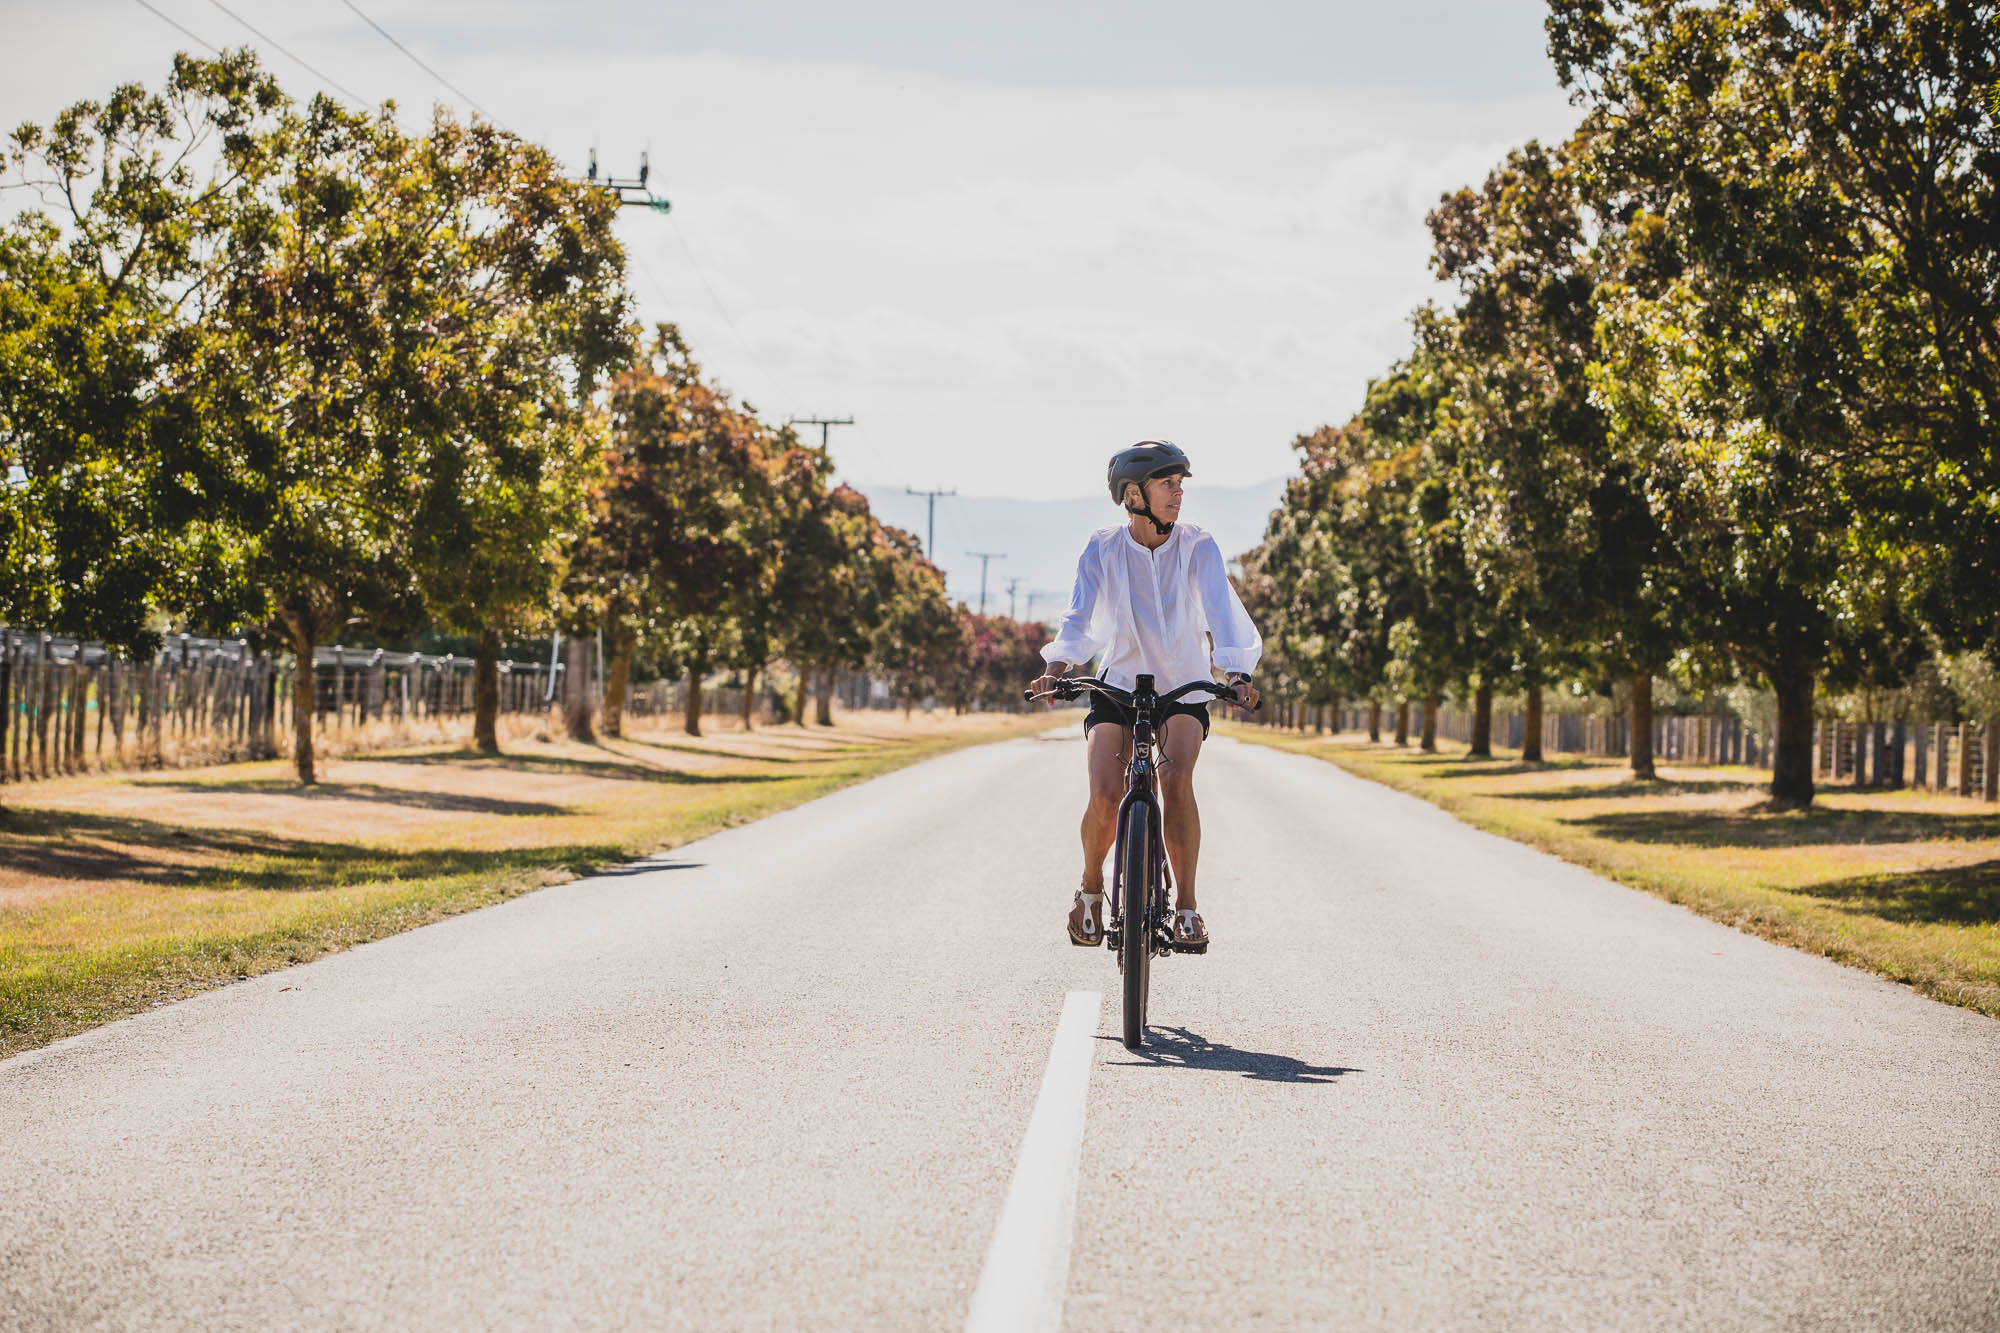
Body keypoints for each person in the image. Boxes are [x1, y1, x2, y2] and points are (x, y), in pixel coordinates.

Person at [1028, 440, 1262, 950]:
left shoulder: (1197, 546)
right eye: (1166, 484)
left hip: (1184, 687)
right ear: (1133, 495)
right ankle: (1091, 890)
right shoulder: (1103, 548)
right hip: (1117, 686)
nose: (1178, 494)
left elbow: (1222, 613)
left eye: (1180, 484)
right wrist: (1055, 669)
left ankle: (1187, 908)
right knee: (1105, 793)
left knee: (1176, 779)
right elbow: (1079, 618)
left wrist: (1237, 672)